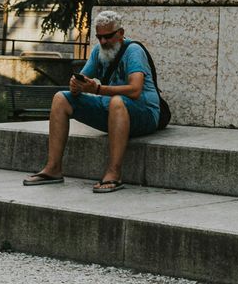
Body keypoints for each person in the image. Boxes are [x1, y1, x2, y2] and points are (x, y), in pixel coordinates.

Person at [23, 10, 161, 194]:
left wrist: (97, 89)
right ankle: (53, 168)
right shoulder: (99, 51)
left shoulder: (134, 51)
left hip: (144, 114)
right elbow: (83, 78)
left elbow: (135, 90)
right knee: (61, 98)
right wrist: (75, 85)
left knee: (117, 102)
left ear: (120, 33)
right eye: (99, 37)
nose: (103, 42)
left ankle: (114, 174)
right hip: (112, 110)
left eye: (108, 37)